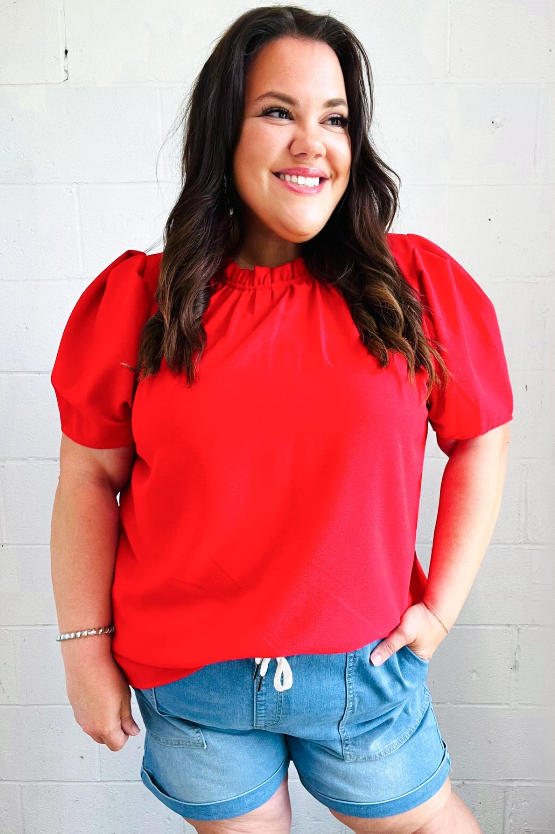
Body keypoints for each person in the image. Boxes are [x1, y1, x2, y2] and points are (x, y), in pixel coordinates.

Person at [49, 6, 513, 833]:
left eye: (333, 118)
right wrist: (84, 649)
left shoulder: (415, 287)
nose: (312, 142)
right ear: (224, 130)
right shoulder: (139, 303)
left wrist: (438, 609)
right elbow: (89, 475)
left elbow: (480, 435)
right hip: (192, 683)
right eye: (277, 112)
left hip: (363, 675)